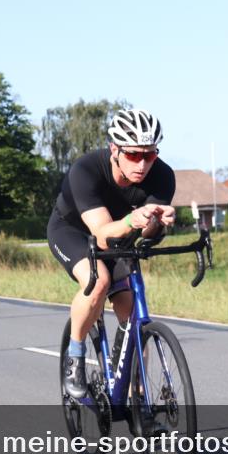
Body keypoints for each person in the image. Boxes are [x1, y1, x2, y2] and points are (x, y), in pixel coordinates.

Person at [48, 108, 176, 397]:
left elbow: (145, 235)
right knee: (99, 282)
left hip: (120, 233)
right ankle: (75, 353)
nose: (142, 164)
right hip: (73, 230)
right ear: (114, 149)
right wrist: (132, 220)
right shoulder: (86, 170)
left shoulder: (163, 176)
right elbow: (103, 234)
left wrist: (157, 223)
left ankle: (137, 393)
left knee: (131, 307)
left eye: (150, 154)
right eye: (133, 155)